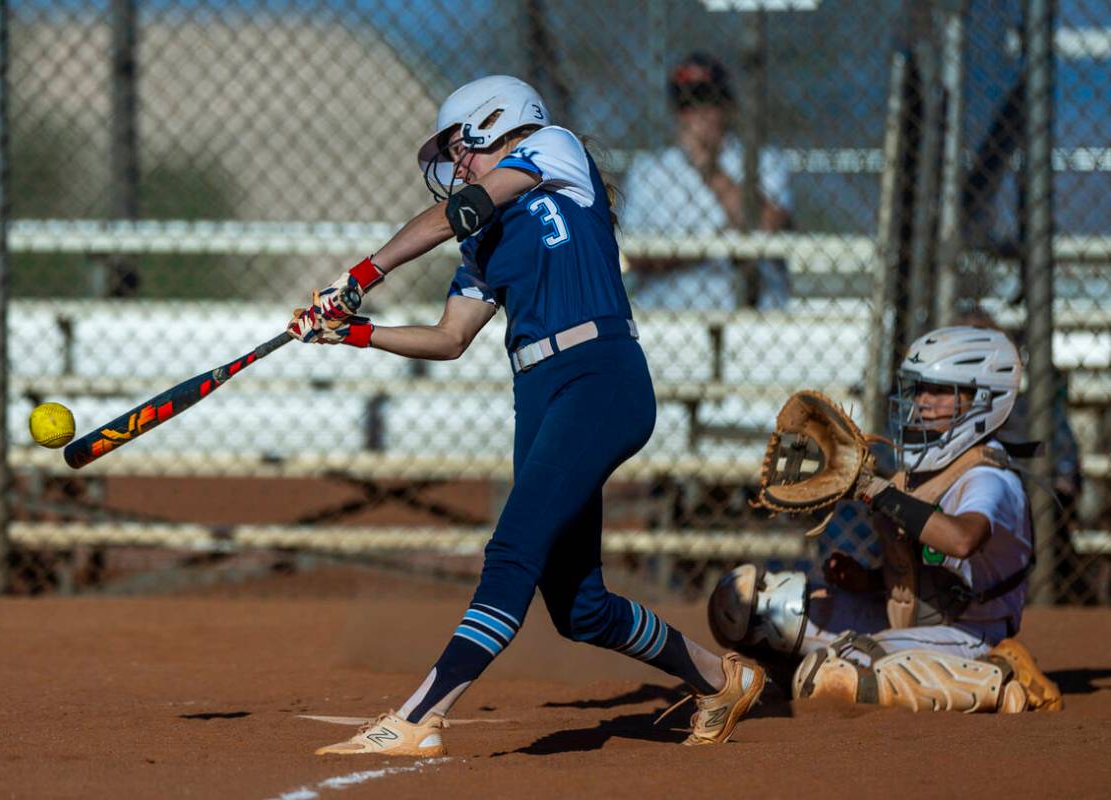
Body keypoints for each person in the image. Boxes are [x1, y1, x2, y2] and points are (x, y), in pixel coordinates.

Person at [286, 75, 766, 757]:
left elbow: (471, 201)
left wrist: (361, 275)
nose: (457, 166)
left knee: (510, 552)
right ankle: (720, 679)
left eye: (461, 147)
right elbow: (449, 338)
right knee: (577, 606)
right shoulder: (483, 240)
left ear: (496, 122)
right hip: (537, 393)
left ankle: (419, 716)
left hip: (597, 376)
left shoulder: (553, 149)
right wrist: (352, 332)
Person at [707, 325, 1063, 713]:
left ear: (984, 400)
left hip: (967, 632)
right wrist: (872, 580)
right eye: (919, 388)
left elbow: (962, 540)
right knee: (740, 606)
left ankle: (1000, 678)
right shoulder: (930, 463)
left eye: (941, 391)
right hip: (906, 616)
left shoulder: (989, 478)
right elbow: (933, 570)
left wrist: (875, 491)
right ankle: (788, 676)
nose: (923, 401)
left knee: (831, 678)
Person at [621, 52, 793, 311]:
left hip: (754, 318)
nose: (697, 115)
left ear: (727, 106)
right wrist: (715, 245)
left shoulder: (762, 160)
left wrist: (710, 171)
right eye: (686, 105)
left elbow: (766, 225)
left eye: (706, 100)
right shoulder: (649, 170)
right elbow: (633, 254)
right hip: (668, 317)